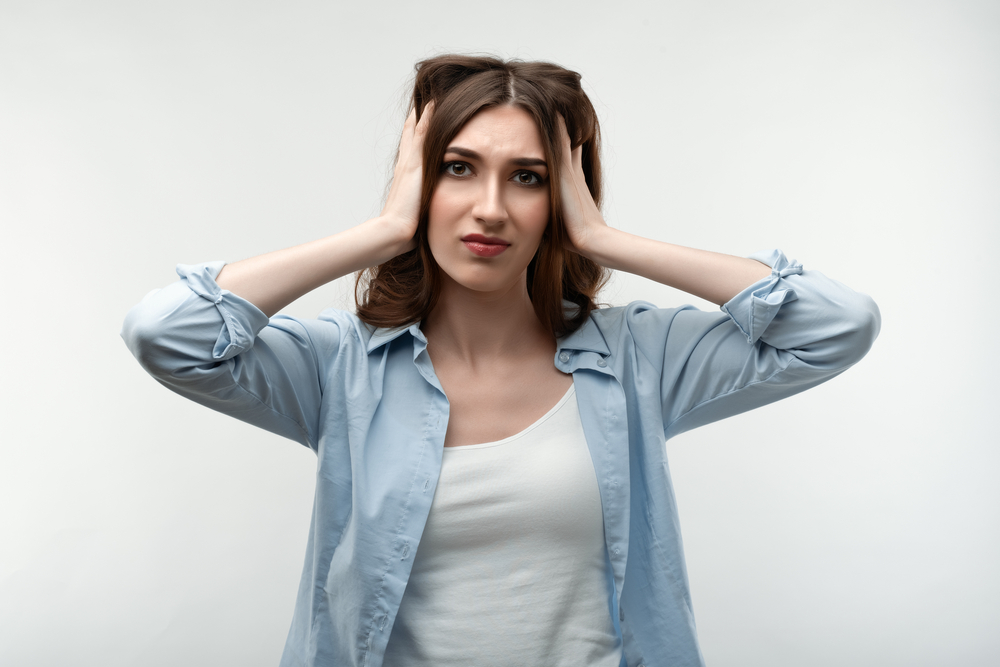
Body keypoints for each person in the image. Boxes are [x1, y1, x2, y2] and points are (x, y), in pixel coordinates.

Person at [122, 55, 880, 667]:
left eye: (529, 177)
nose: (491, 207)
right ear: (418, 181)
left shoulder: (641, 355)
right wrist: (385, 227)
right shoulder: (338, 368)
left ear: (564, 197)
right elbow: (168, 333)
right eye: (457, 168)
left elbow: (835, 326)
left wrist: (603, 238)